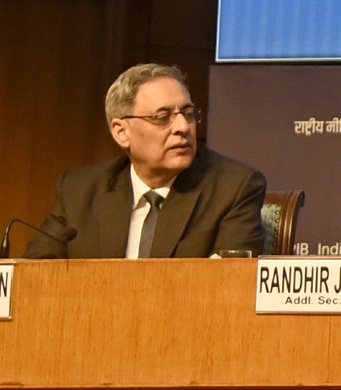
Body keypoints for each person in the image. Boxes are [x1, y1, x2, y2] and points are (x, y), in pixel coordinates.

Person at [26, 63, 266, 258]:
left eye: (188, 114)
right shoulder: (79, 190)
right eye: (162, 117)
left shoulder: (234, 188)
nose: (183, 127)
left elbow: (228, 284)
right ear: (122, 132)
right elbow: (36, 274)